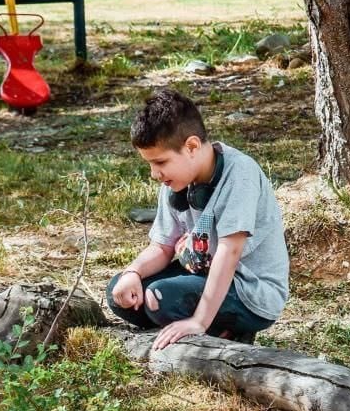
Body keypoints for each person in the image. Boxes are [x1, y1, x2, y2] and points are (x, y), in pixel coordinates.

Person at [106, 88, 289, 351]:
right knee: (120, 293)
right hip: (199, 274)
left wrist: (199, 322)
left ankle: (222, 330)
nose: (154, 174)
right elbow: (161, 247)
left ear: (191, 146)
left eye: (160, 162)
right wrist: (132, 272)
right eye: (149, 164)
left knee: (159, 298)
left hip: (248, 292)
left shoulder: (240, 174)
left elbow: (230, 251)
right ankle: (193, 325)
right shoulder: (174, 180)